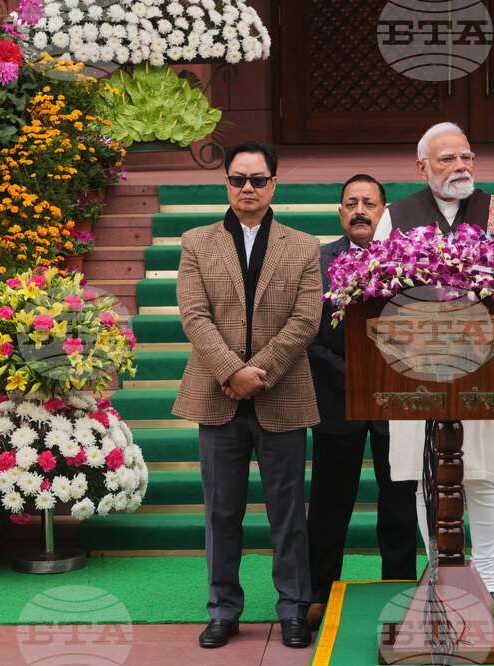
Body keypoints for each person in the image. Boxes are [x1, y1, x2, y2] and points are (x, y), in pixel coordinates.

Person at [173, 141, 322, 650]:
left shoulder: (303, 246)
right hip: (217, 396)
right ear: (227, 183)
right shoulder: (197, 242)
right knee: (221, 511)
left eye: (258, 179)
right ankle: (223, 610)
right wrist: (231, 372)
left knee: (288, 512)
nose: (248, 188)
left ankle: (294, 609)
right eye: (238, 179)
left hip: (282, 393)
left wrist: (259, 371)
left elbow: (306, 319)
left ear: (274, 183)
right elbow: (194, 315)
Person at [373, 122, 494, 622]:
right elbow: (375, 290)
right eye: (447, 159)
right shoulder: (395, 216)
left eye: (467, 157)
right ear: (422, 167)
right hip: (417, 371)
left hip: (487, 367)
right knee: (426, 478)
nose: (461, 167)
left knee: (485, 478)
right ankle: (439, 577)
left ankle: (491, 585)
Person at [304, 174, 418, 629]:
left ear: (384, 212)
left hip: (397, 399)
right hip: (337, 397)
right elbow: (307, 335)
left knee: (399, 504)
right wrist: (354, 378)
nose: (359, 211)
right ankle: (319, 591)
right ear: (340, 213)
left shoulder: (408, 259)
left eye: (369, 203)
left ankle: (400, 590)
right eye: (351, 203)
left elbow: (420, 326)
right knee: (329, 505)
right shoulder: (318, 261)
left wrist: (387, 377)